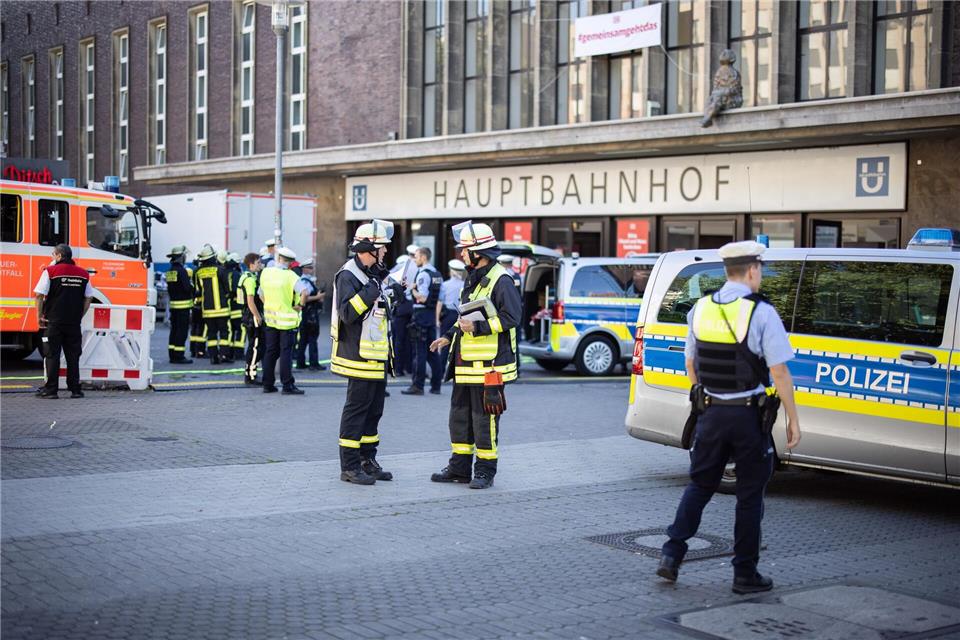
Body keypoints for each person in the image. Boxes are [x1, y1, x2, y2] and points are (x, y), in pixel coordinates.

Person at [656, 240, 801, 595]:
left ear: (727, 271)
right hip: (748, 419)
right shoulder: (761, 312)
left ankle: (671, 555)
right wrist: (793, 419)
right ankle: (744, 574)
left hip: (711, 414)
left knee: (700, 485)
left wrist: (705, 392)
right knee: (750, 496)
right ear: (752, 270)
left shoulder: (701, 309)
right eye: (760, 270)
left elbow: (690, 363)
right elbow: (779, 372)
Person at [429, 222, 522, 489]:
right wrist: (447, 336)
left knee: (485, 421)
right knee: (459, 418)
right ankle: (459, 468)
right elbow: (465, 316)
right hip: (465, 366)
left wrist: (479, 328)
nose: (461, 254)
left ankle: (484, 472)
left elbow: (512, 318)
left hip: (490, 367)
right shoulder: (473, 278)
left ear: (478, 252)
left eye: (465, 249)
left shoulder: (501, 280)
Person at [331, 220, 396, 485]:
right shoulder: (348, 275)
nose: (386, 253)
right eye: (383, 248)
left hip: (376, 356)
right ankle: (349, 466)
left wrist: (394, 294)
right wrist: (372, 289)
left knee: (374, 412)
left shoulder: (373, 272)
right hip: (357, 358)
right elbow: (347, 313)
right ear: (370, 248)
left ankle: (368, 461)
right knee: (356, 412)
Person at [34, 244, 93, 399]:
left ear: (59, 256)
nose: (52, 258)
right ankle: (75, 390)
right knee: (73, 356)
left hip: (53, 321)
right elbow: (89, 297)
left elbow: (39, 295)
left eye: (53, 254)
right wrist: (80, 314)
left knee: (52, 354)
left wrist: (39, 316)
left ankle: (51, 390)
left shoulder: (50, 271)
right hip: (73, 323)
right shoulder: (83, 274)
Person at [259, 246, 307, 395]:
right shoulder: (290, 276)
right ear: (290, 262)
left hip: (270, 319)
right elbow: (304, 292)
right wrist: (300, 305)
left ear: (278, 258)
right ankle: (287, 385)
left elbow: (260, 294)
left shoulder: (265, 272)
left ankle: (267, 384)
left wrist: (269, 304)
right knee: (286, 353)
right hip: (287, 321)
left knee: (270, 352)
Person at [402, 246, 443, 395]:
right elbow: (440, 297)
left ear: (424, 257)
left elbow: (423, 298)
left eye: (417, 256)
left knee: (419, 352)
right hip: (431, 316)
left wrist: (412, 288)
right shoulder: (437, 274)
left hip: (421, 316)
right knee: (432, 352)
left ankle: (417, 386)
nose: (414, 259)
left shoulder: (423, 275)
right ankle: (436, 385)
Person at [193, 244, 234, 364]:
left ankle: (213, 357)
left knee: (211, 333)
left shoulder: (198, 272)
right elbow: (228, 289)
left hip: (207, 310)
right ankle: (224, 355)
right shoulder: (221, 270)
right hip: (222, 309)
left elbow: (197, 291)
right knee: (224, 332)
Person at [164, 245, 194, 364]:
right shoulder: (182, 271)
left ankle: (172, 355)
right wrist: (193, 288)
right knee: (181, 332)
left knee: (174, 331)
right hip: (183, 307)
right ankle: (179, 356)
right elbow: (187, 288)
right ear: (181, 257)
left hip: (173, 306)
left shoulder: (170, 271)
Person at [237, 253, 264, 385]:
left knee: (254, 345)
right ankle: (251, 376)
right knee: (255, 346)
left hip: (248, 314)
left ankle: (250, 372)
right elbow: (250, 301)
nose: (260, 265)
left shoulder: (247, 276)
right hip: (252, 315)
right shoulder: (250, 280)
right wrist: (258, 316)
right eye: (258, 262)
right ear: (251, 264)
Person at [295, 259, 325, 371]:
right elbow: (305, 297)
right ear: (304, 269)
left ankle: (300, 362)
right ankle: (313, 363)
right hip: (310, 314)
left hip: (306, 313)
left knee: (303, 339)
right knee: (312, 338)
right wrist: (318, 297)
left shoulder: (305, 280)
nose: (312, 269)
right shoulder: (305, 282)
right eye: (310, 267)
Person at [435, 259, 465, 369]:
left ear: (451, 271)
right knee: (459, 343)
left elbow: (440, 302)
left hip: (447, 315)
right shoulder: (465, 285)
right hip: (460, 315)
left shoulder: (445, 285)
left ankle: (441, 369)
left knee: (444, 342)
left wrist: (437, 319)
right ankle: (457, 367)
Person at [390, 254, 414, 376]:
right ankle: (408, 367)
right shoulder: (415, 269)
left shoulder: (397, 273)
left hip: (400, 310)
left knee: (398, 339)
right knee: (409, 340)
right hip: (411, 307)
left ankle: (398, 368)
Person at [225, 252, 245, 361]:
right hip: (237, 307)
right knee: (241, 329)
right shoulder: (236, 275)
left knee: (230, 330)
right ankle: (239, 352)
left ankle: (228, 352)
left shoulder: (223, 272)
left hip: (226, 307)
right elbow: (237, 290)